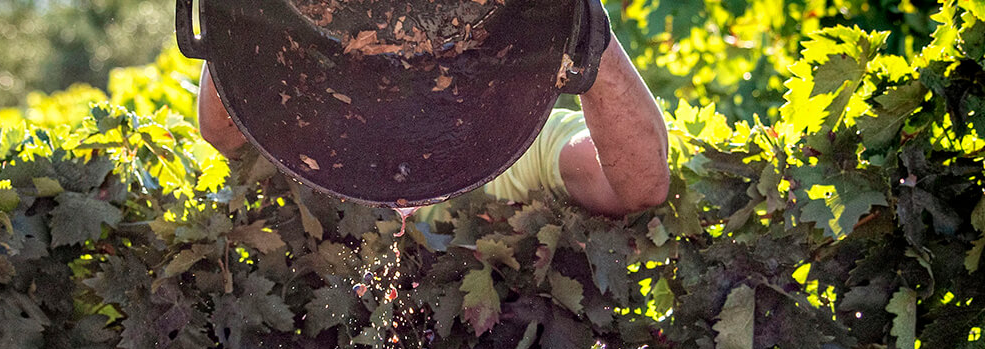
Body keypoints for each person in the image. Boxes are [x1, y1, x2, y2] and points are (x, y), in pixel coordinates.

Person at [197, 30, 670, 218]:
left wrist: (587, 31)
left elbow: (638, 186)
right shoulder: (316, 145)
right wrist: (244, 20)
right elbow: (225, 132)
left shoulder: (515, 138)